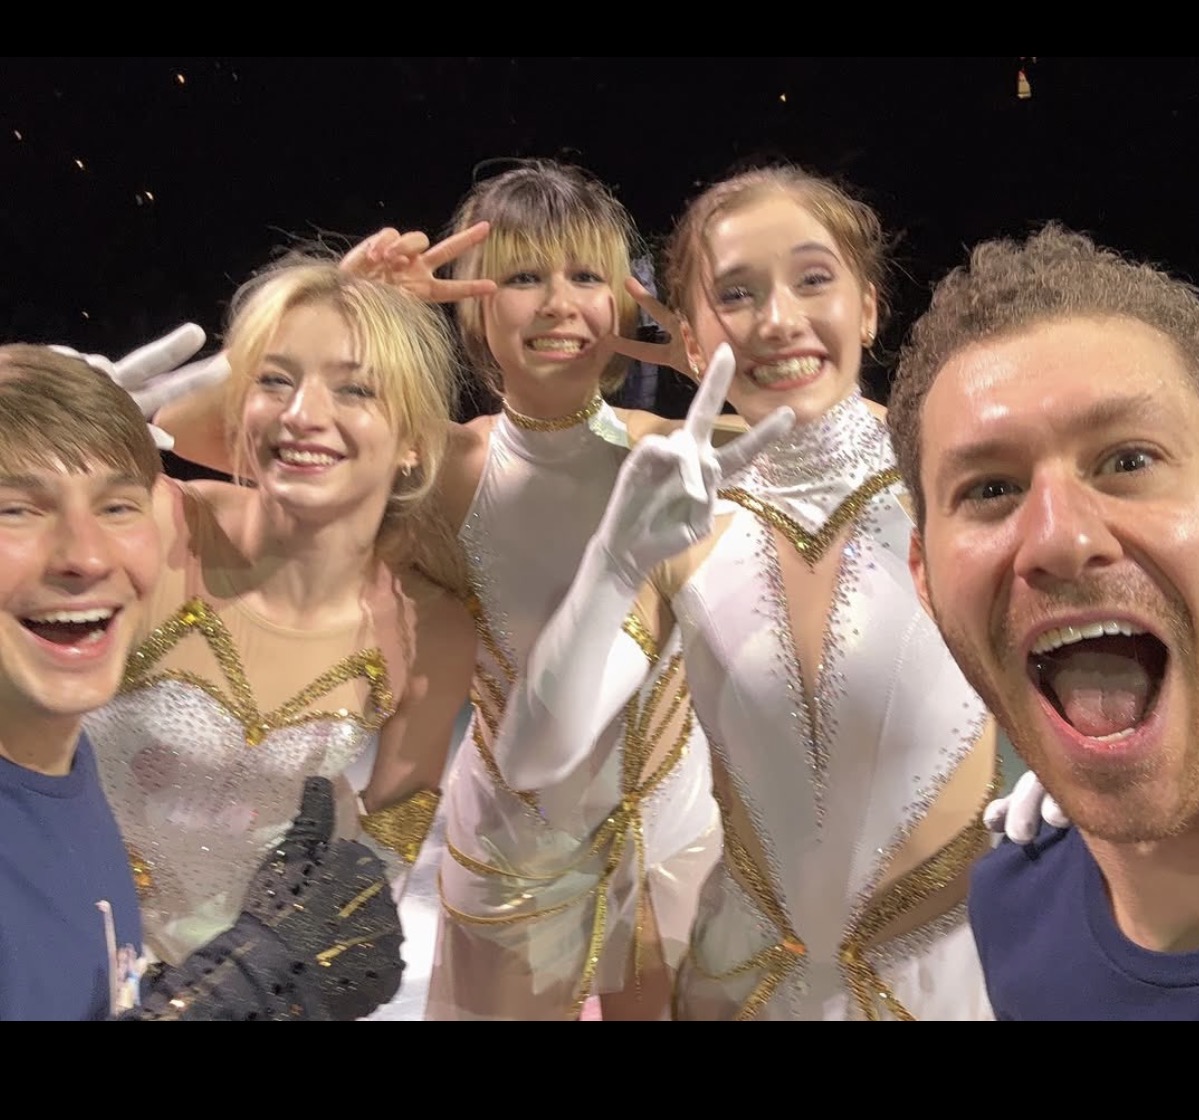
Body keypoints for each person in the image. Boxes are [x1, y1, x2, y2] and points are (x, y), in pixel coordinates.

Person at [163, 160, 724, 1020]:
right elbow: (193, 431)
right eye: (524, 278)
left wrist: (721, 359)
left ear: (623, 300)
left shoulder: (678, 452)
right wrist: (344, 306)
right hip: (514, 855)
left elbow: (856, 438)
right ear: (473, 306)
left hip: (675, 842)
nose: (559, 305)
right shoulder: (446, 470)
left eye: (586, 277)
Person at [494, 164, 1000, 1019]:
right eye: (736, 293)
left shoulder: (959, 484)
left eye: (813, 279)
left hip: (950, 985)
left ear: (868, 307)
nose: (778, 320)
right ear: (692, 343)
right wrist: (614, 564)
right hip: (744, 987)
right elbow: (533, 759)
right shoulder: (683, 524)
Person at [81, 257, 477, 979]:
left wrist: (272, 978)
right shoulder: (155, 523)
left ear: (415, 442)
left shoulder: (433, 630)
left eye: (355, 388)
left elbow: (376, 859)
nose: (302, 415)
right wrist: (32, 414)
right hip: (57, 940)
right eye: (274, 379)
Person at [0, 344, 402, 1020]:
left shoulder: (64, 762)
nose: (86, 556)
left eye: (117, 507)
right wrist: (236, 992)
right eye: (15, 510)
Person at [887, 222, 1199, 1020]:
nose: (1060, 539)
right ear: (925, 578)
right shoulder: (1011, 911)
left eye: (1129, 460)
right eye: (990, 489)